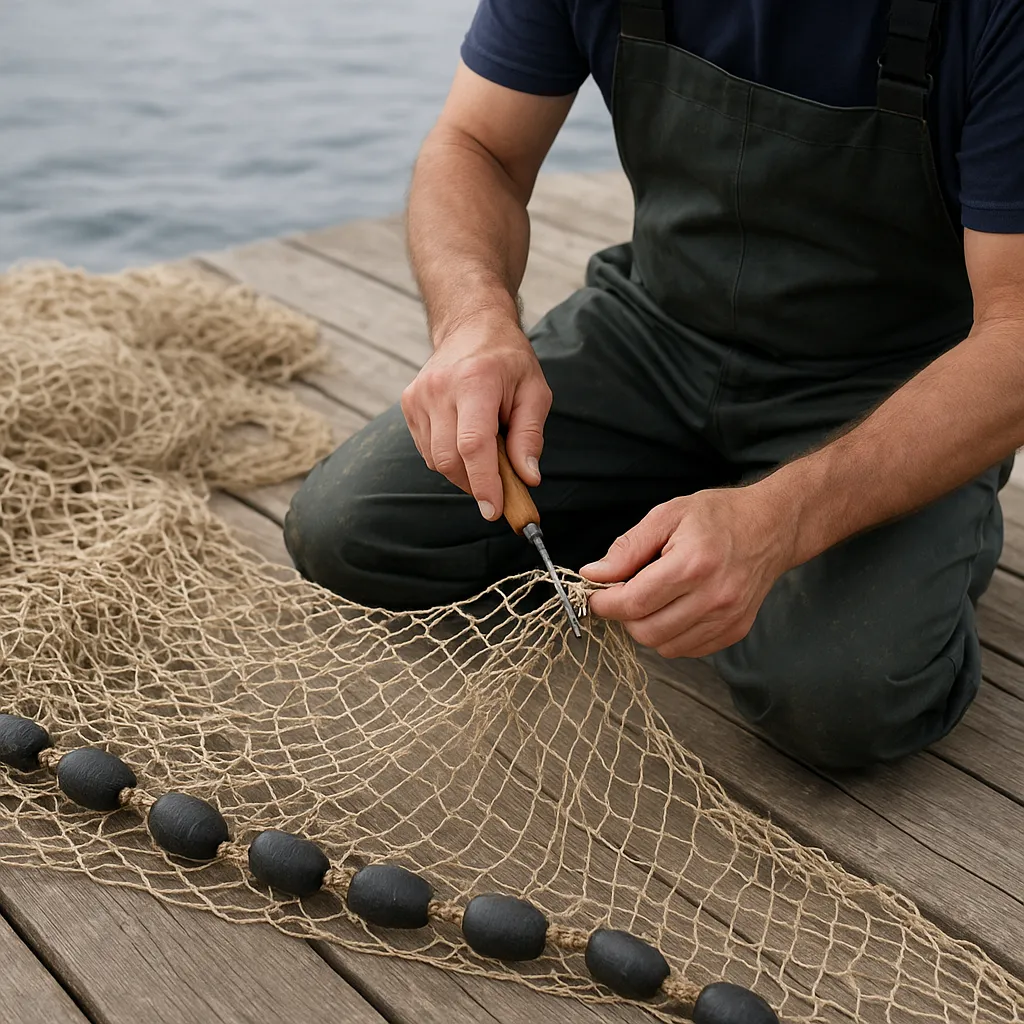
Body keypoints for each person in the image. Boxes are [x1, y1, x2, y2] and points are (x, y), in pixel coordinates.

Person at [284, 0, 1024, 769]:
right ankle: (683, 510)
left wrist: (778, 519)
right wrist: (473, 319)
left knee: (837, 697)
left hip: (885, 388)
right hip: (653, 331)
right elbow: (476, 146)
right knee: (347, 531)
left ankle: (890, 532)